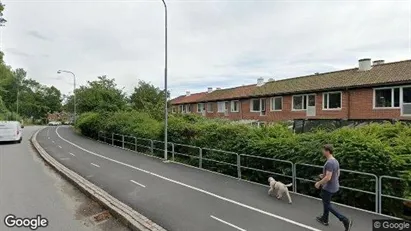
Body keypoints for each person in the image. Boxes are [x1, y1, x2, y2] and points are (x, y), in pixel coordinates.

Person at [315, 144, 353, 231]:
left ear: (327, 151)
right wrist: (324, 175)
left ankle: (345, 220)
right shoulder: (335, 161)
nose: (322, 152)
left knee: (327, 205)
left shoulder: (329, 163)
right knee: (326, 202)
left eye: (323, 150)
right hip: (334, 186)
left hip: (328, 188)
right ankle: (324, 219)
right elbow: (337, 173)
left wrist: (319, 183)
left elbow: (328, 178)